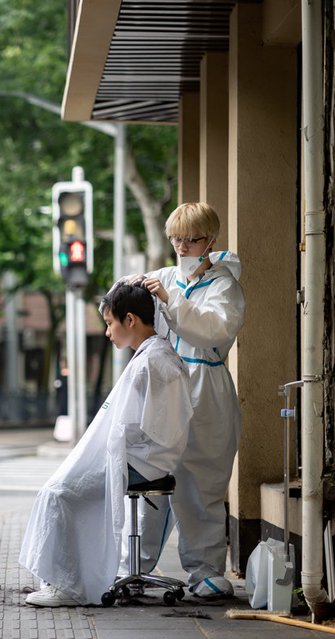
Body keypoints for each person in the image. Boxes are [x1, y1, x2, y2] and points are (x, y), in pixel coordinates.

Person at [20, 283, 193, 606]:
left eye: (110, 323)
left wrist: (104, 449)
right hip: (144, 456)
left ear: (130, 320)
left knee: (60, 494)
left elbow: (148, 428)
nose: (107, 333)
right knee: (58, 488)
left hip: (144, 460)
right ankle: (68, 576)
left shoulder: (153, 362)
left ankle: (68, 586)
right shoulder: (156, 356)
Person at [128, 201, 245, 599]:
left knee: (201, 481)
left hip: (204, 385)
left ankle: (206, 569)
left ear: (210, 241)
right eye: (176, 239)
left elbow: (214, 329)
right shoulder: (165, 276)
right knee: (151, 472)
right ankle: (134, 565)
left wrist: (171, 301)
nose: (181, 247)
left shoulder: (225, 286)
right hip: (166, 384)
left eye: (191, 240)